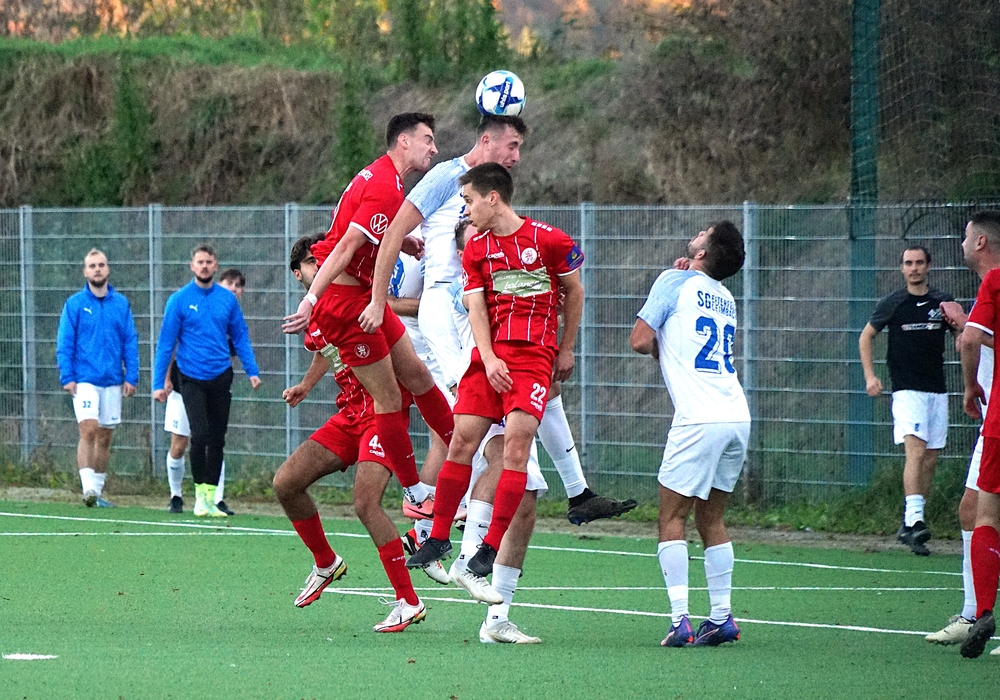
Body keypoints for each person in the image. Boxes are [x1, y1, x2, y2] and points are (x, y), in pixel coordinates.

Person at [360, 116, 635, 525]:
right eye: (512, 146)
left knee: (541, 385)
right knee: (481, 426)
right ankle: (444, 527)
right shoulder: (447, 178)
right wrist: (378, 299)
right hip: (449, 308)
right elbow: (392, 231)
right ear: (487, 140)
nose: (517, 156)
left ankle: (576, 492)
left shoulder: (493, 198)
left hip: (482, 306)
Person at [405, 163, 584, 586]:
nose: (466, 210)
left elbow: (575, 290)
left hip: (533, 360)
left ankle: (488, 548)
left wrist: (567, 347)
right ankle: (438, 537)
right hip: (488, 361)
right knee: (461, 442)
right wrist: (487, 358)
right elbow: (477, 309)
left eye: (469, 201)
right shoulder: (476, 249)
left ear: (492, 197)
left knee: (516, 451)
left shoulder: (550, 239)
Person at [281, 113, 453, 519]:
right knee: (388, 398)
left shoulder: (384, 177)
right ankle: (415, 494)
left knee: (418, 376)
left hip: (359, 294)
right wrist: (312, 300)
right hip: (346, 305)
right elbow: (344, 247)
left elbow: (358, 234)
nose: (434, 148)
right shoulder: (384, 186)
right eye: (428, 139)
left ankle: (462, 452)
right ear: (404, 141)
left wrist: (401, 240)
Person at [273, 235, 430, 632]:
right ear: (298, 274)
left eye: (323, 258)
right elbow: (324, 350)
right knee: (286, 483)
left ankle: (408, 602)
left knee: (365, 504)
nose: (321, 266)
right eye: (312, 262)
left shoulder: (353, 297)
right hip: (349, 416)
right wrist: (306, 385)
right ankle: (326, 562)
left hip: (382, 413)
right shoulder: (316, 316)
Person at [630, 221, 750, 648]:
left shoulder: (673, 280)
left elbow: (640, 340)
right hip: (736, 416)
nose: (698, 232)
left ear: (702, 252)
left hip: (699, 418)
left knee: (671, 518)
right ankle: (720, 617)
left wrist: (668, 289)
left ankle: (679, 618)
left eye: (705, 232)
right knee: (711, 518)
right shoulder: (725, 296)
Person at [928, 212, 1000, 647]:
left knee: (983, 513)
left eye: (965, 236)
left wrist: (967, 328)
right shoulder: (986, 290)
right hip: (991, 421)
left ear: (980, 243)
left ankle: (978, 613)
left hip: (996, 418)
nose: (961, 243)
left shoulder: (994, 283)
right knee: (970, 509)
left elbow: (977, 339)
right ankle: (973, 613)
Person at [859, 246, 954, 555]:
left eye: (919, 263)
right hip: (906, 390)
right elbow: (866, 336)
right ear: (902, 268)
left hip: (937, 390)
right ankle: (915, 521)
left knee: (930, 458)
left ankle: (909, 523)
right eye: (908, 263)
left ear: (928, 266)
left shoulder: (942, 302)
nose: (914, 268)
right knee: (915, 452)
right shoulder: (893, 303)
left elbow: (962, 335)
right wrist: (870, 376)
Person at [152, 245, 261, 518]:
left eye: (208, 262)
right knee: (198, 435)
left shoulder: (227, 300)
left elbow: (240, 336)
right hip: (190, 376)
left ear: (215, 266)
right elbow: (166, 344)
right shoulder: (179, 300)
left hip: (220, 375)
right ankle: (198, 495)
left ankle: (212, 498)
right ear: (192, 266)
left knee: (217, 439)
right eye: (199, 262)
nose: (204, 266)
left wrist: (252, 370)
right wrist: (157, 383)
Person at [56, 248, 139, 508]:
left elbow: (130, 341)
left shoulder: (121, 304)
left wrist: (132, 375)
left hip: (112, 380)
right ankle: (88, 488)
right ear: (85, 271)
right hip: (85, 380)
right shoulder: (75, 304)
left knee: (104, 437)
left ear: (108, 269)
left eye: (101, 265)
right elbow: (65, 342)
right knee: (88, 429)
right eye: (92, 266)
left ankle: (98, 494)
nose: (97, 269)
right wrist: (67, 375)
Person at [163, 267, 246, 515]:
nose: (234, 289)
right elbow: (173, 344)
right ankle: (176, 495)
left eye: (238, 285)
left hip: (210, 390)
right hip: (184, 386)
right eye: (229, 284)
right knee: (180, 443)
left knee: (214, 440)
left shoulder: (231, 319)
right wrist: (166, 379)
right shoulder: (196, 306)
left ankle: (215, 499)